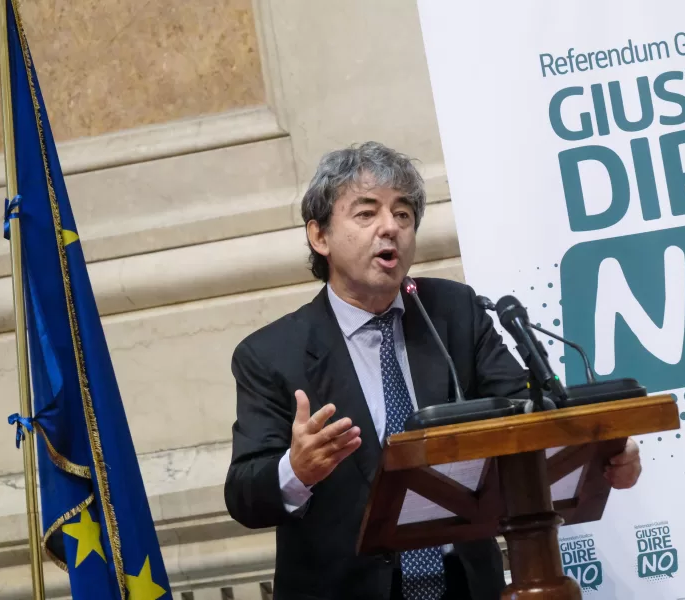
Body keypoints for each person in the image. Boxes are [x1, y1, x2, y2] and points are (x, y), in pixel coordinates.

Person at [224, 142, 642, 600]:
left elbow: (527, 409)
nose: (390, 227)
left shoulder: (454, 311)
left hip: (466, 586)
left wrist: (602, 453)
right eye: (366, 214)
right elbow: (245, 495)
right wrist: (296, 469)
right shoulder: (270, 354)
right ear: (319, 237)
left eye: (403, 215)